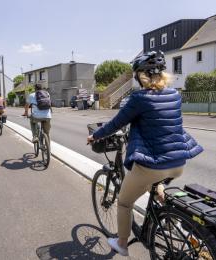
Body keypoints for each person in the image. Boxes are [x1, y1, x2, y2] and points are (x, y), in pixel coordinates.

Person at [87, 51, 203, 257]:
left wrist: (95, 136)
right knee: (156, 183)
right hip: (178, 162)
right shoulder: (175, 95)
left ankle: (122, 244)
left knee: (124, 202)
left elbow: (116, 124)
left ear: (141, 76)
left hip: (154, 165)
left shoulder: (139, 98)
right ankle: (170, 219)